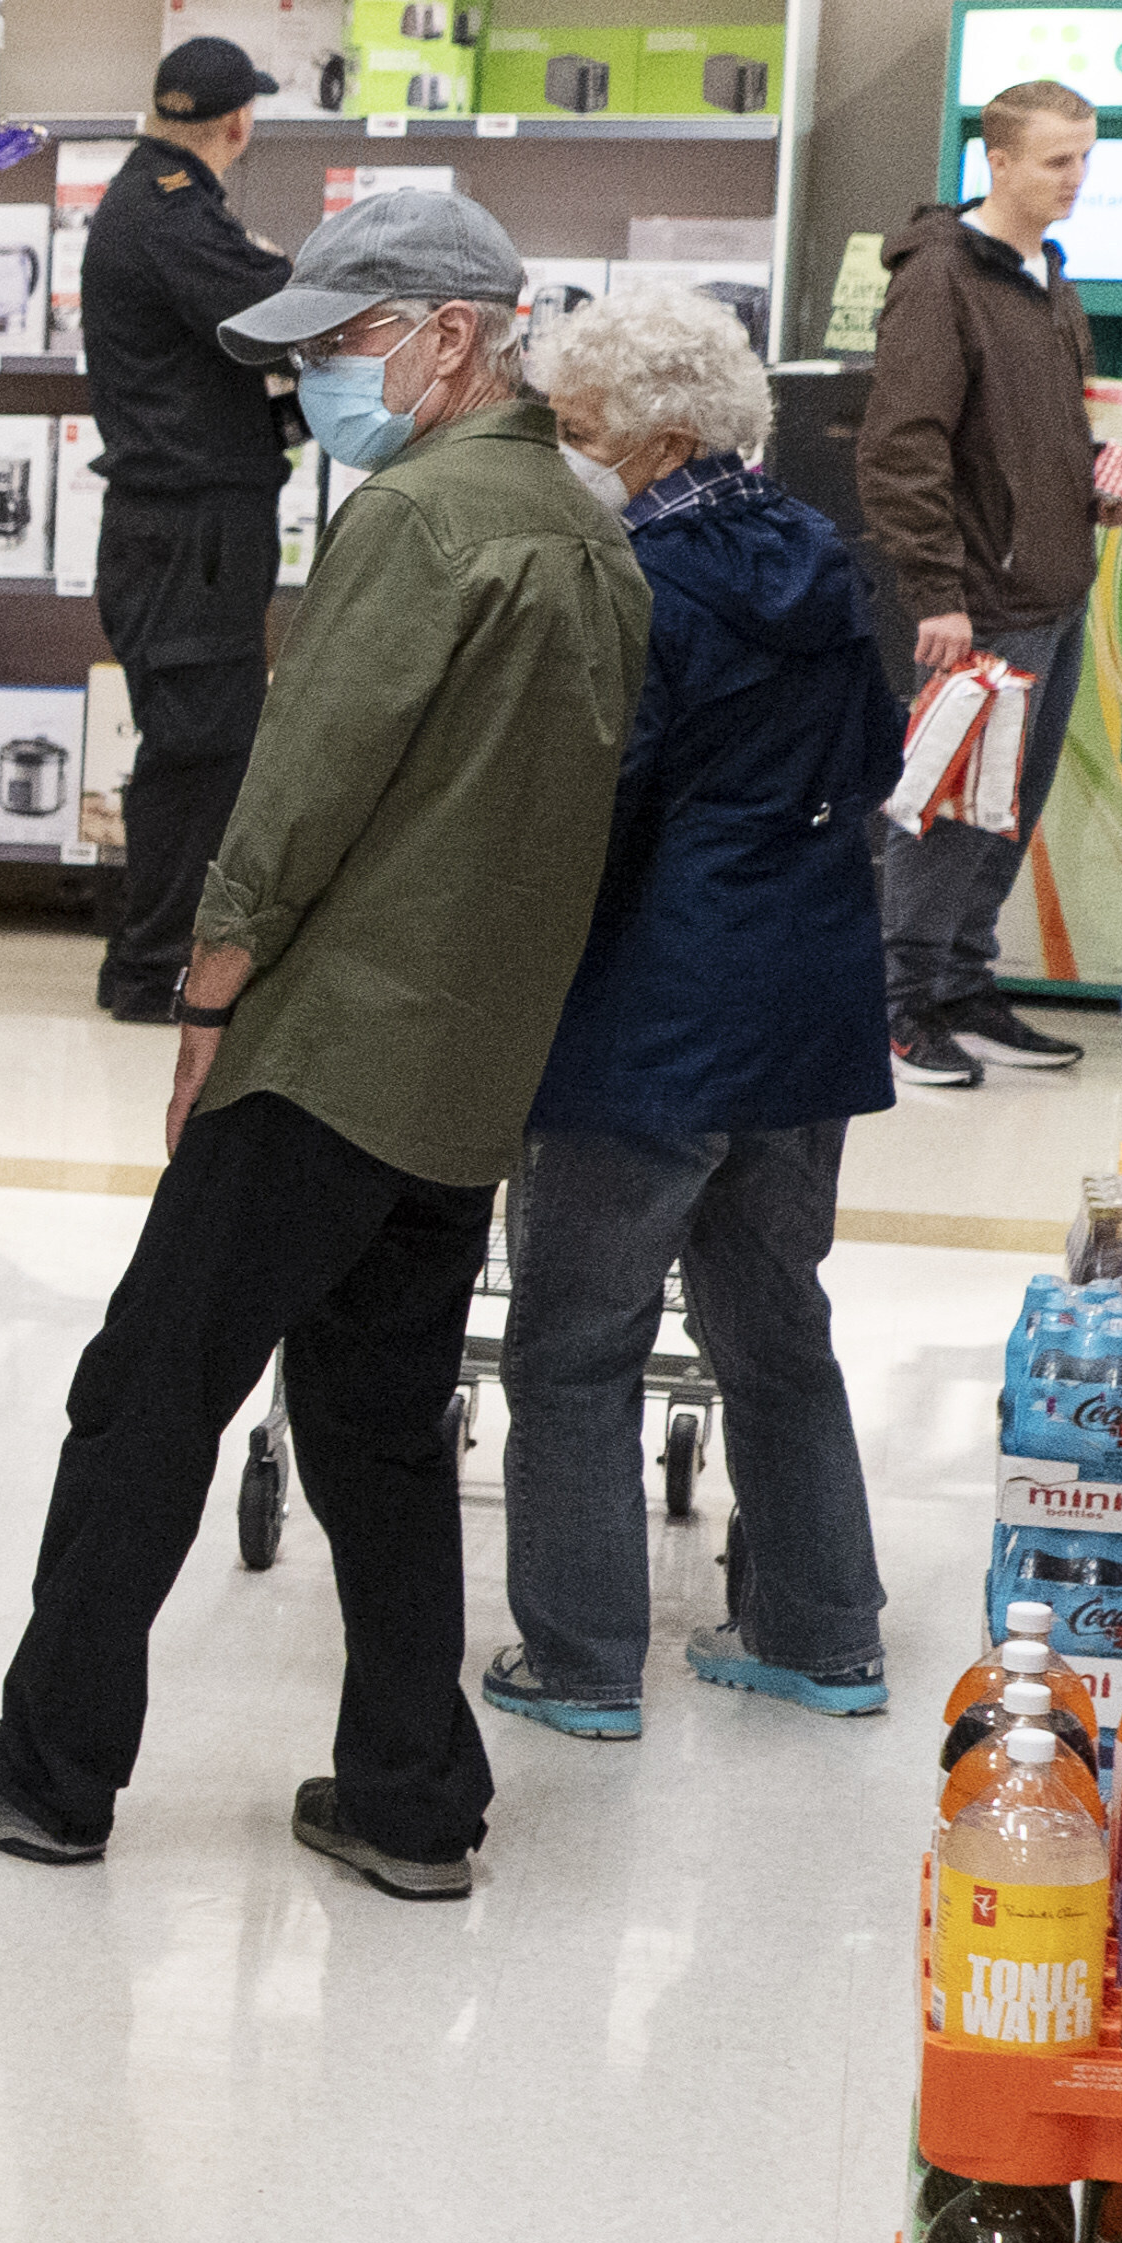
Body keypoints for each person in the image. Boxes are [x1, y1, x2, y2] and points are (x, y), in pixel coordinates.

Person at [0, 184, 644, 1900]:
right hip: (468, 1072)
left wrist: (207, 998)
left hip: (330, 1049)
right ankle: (409, 1795)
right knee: (379, 1430)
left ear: (452, 335)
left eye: (344, 344)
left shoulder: (421, 525)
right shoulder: (588, 530)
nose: (317, 386)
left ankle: (49, 1766)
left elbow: (298, 791)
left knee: (144, 1397)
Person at [482, 292, 898, 1743]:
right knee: (777, 1322)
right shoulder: (824, 559)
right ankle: (821, 1633)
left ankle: (584, 1662)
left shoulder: (629, 581)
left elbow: (594, 793)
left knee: (576, 1345)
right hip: (811, 1002)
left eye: (580, 430)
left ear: (659, 442)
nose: (563, 453)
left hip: (653, 1016)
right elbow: (877, 755)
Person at [857, 80, 1122, 1084]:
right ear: (998, 162)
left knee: (1008, 806)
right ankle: (897, 1008)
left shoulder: (1046, 274)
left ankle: (961, 985)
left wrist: (1101, 491)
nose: (1076, 180)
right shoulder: (942, 276)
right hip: (980, 599)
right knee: (946, 810)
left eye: (1085, 159)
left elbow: (1035, 433)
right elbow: (905, 446)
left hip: (1054, 591)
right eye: (1056, 161)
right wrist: (935, 591)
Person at [78, 35, 298, 1024]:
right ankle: (157, 965)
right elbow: (275, 314)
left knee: (198, 745)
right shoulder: (168, 213)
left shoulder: (163, 204)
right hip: (187, 532)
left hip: (186, 526)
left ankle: (160, 956)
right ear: (238, 122)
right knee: (202, 749)